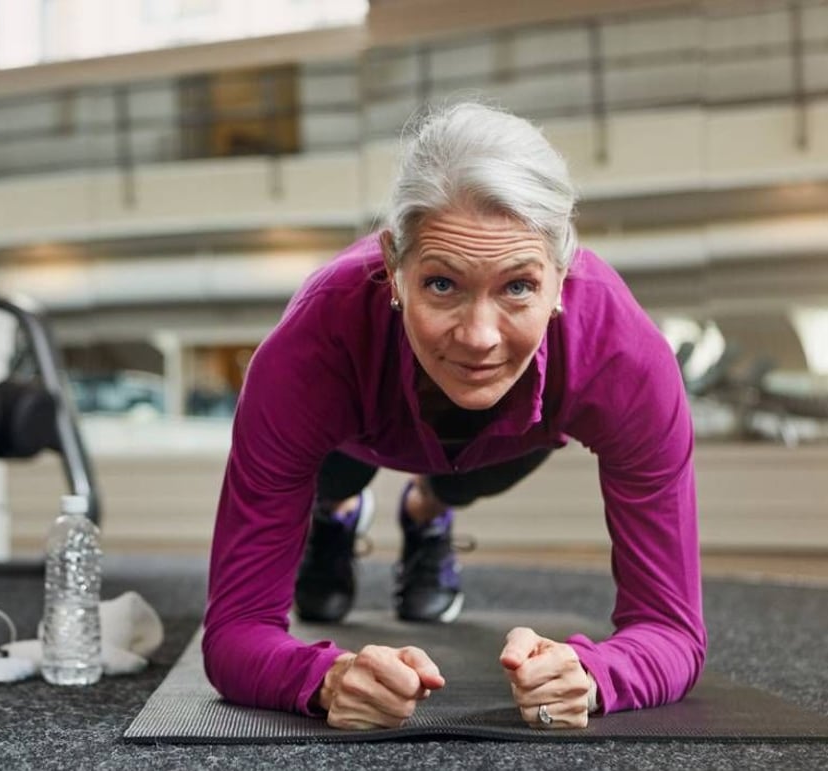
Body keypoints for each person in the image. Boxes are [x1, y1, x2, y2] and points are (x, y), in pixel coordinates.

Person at [202, 100, 706, 731]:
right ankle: (337, 514)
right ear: (394, 268)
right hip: (352, 439)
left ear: (561, 276)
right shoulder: (311, 348)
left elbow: (672, 630)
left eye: (518, 287)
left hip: (513, 440)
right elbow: (235, 632)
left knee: (459, 481)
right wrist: (325, 679)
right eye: (442, 284)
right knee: (333, 484)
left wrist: (594, 674)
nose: (478, 338)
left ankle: (425, 510)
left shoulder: (625, 357)